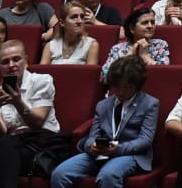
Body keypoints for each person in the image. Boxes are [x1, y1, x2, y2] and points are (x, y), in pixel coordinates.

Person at [48, 55, 160, 188]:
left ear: (137, 86)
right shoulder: (103, 105)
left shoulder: (150, 104)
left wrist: (117, 150)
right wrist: (92, 146)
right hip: (100, 153)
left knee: (108, 175)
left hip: (130, 154)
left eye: (127, 88)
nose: (122, 92)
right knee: (59, 174)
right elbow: (92, 136)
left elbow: (145, 140)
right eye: (118, 87)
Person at [0, 39, 67, 188]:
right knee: (3, 146)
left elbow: (37, 123)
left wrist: (17, 102)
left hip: (43, 144)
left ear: (26, 60)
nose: (11, 65)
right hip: (13, 147)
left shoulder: (42, 81)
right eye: (5, 62)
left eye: (16, 59)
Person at [101, 8, 171, 76]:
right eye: (145, 23)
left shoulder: (160, 45)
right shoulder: (118, 49)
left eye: (152, 22)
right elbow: (104, 76)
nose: (150, 26)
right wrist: (128, 57)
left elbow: (164, 75)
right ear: (132, 28)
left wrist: (145, 56)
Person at [42, 0, 101, 65]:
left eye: (82, 17)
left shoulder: (92, 45)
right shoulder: (50, 46)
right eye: (73, 17)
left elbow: (91, 73)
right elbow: (42, 73)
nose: (79, 21)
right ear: (62, 23)